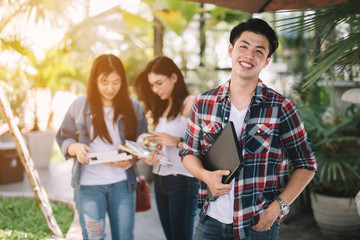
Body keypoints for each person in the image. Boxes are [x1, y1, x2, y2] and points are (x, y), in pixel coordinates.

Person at [179, 18, 317, 240]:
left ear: (267, 61)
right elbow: (188, 153)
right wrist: (206, 176)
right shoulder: (203, 102)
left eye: (259, 51)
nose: (249, 56)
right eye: (243, 47)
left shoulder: (282, 108)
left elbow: (307, 164)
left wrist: (277, 208)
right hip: (210, 222)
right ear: (230, 50)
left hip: (257, 224)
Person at [56, 54, 147, 240]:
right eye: (104, 82)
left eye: (116, 82)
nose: (110, 88)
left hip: (123, 184)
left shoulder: (133, 106)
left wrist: (132, 159)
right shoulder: (79, 105)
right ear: (94, 81)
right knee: (94, 237)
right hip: (89, 186)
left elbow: (143, 143)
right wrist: (76, 148)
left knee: (124, 237)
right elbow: (63, 138)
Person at [133, 56, 198, 240]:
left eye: (159, 83)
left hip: (182, 182)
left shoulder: (190, 104)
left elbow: (206, 145)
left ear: (174, 77)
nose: (155, 89)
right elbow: (164, 146)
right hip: (160, 179)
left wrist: (176, 140)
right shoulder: (163, 107)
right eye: (152, 85)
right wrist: (149, 153)